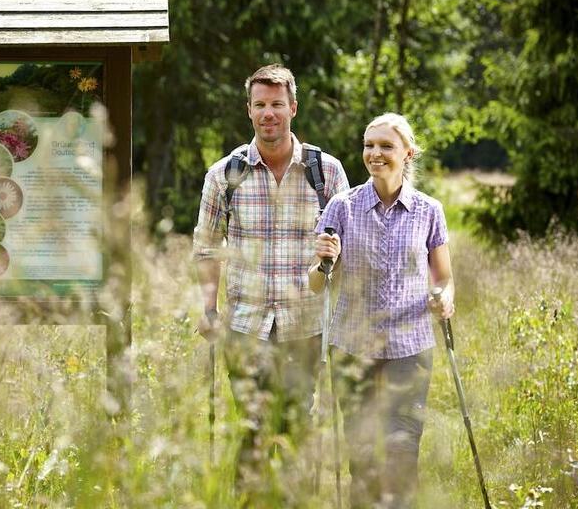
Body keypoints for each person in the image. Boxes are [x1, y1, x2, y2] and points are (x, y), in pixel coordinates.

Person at [192, 63, 348, 504]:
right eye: (260, 105)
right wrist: (208, 308)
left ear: (293, 108)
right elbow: (206, 248)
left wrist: (334, 258)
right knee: (253, 432)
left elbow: (348, 245)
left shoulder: (327, 173)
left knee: (298, 428)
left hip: (305, 325)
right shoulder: (225, 174)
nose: (269, 113)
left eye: (277, 104)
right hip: (246, 325)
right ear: (249, 110)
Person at [309, 112, 455, 509]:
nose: (375, 154)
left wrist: (443, 297)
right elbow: (315, 282)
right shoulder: (343, 206)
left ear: (408, 154)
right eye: (369, 145)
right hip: (352, 347)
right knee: (362, 455)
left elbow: (444, 278)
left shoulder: (429, 210)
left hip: (410, 349)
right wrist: (323, 259)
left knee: (403, 452)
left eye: (386, 146)